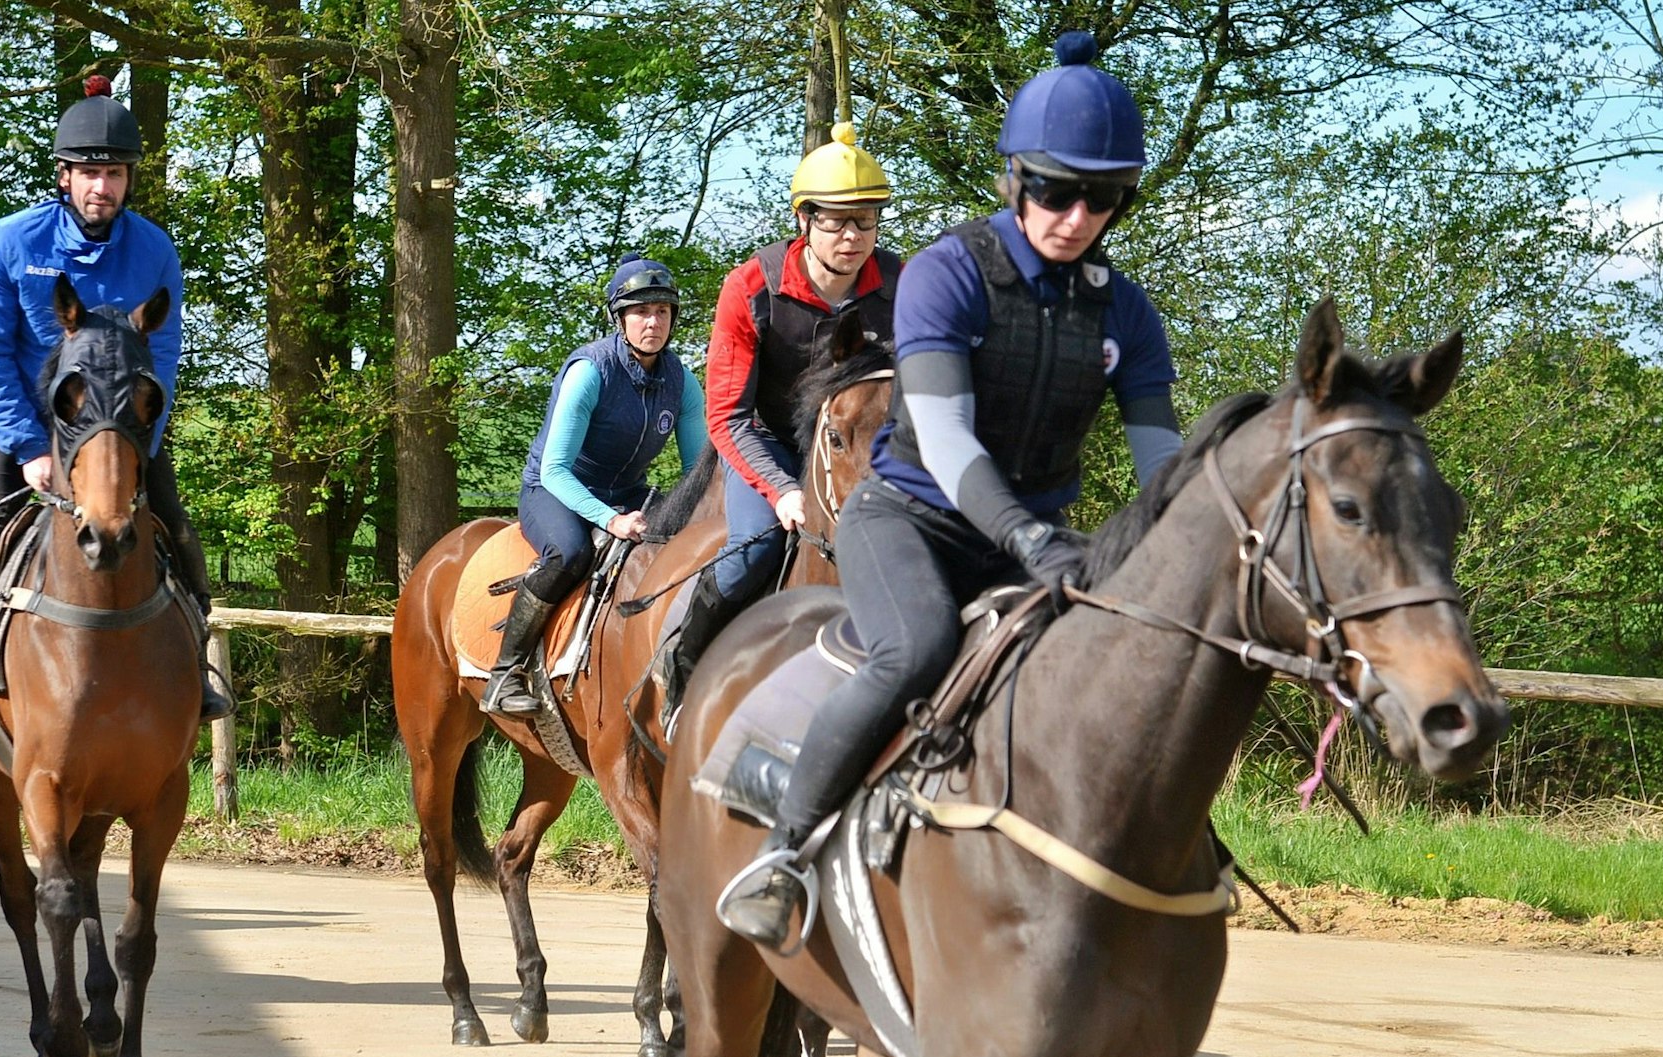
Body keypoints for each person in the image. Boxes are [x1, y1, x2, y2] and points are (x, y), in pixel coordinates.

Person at [719, 31, 1188, 948]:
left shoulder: (1126, 313)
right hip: (909, 521)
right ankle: (780, 854)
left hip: (1036, 538)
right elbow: (942, 435)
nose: (1075, 214)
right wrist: (1031, 539)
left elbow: (1162, 465)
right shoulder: (947, 273)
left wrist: (1161, 562)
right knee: (919, 644)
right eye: (1055, 189)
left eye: (1101, 197)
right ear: (1017, 179)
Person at [0, 74, 229, 749]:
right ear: (65, 176)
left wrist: (131, 445)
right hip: (24, 426)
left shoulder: (154, 251)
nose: (103, 185)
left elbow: (165, 358)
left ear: (128, 180)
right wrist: (31, 449)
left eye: (114, 172)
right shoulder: (12, 243)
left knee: (175, 528)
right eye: (90, 171)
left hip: (118, 432)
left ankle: (199, 668)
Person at [661, 122, 902, 712]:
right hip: (766, 446)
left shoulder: (904, 284)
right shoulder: (750, 287)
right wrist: (783, 490)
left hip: (868, 448)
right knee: (755, 548)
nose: (852, 236)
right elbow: (727, 417)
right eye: (836, 221)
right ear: (804, 220)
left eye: (865, 221)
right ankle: (684, 673)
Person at [483, 256, 709, 715]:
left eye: (662, 311)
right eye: (642, 311)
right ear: (619, 317)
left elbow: (697, 472)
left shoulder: (682, 383)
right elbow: (555, 471)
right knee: (570, 553)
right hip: (555, 491)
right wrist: (610, 520)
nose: (653, 322)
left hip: (627, 490)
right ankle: (505, 673)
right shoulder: (590, 370)